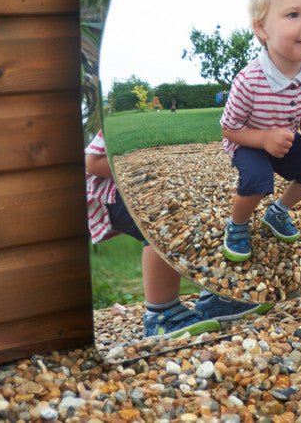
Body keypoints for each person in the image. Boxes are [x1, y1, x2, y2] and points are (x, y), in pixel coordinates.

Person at [85, 130, 270, 339]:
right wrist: (153, 170)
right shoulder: (122, 122)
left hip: (138, 184)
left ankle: (216, 298)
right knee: (165, 222)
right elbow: (93, 162)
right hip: (108, 191)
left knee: (208, 210)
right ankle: (160, 315)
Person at [219, 0, 301, 262]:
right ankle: (238, 224)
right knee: (257, 178)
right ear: (262, 29)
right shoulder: (250, 80)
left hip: (283, 141)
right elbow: (230, 129)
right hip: (248, 141)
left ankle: (277, 212)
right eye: (294, 15)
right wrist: (264, 138)